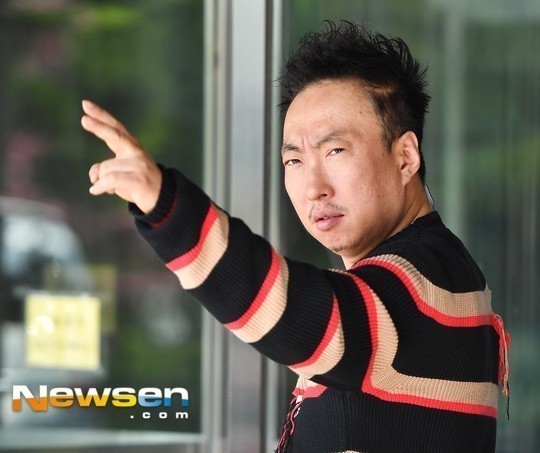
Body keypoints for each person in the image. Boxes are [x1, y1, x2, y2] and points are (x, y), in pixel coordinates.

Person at [82, 21, 510, 453]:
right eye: (294, 161)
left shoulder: (425, 279)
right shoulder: (429, 268)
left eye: (335, 151)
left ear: (405, 157)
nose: (313, 188)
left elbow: (301, 317)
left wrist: (164, 204)